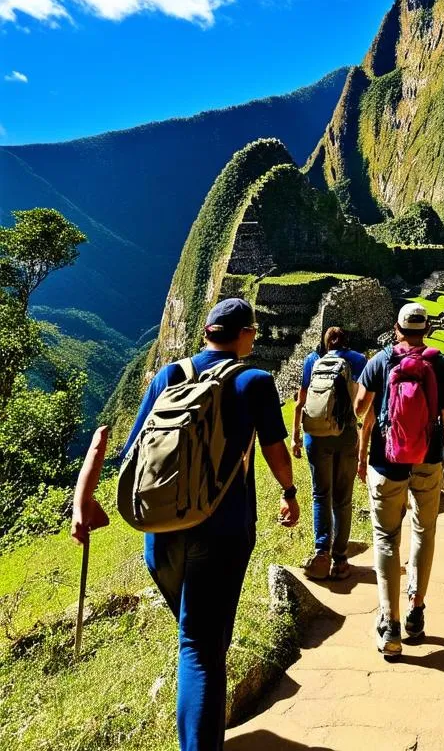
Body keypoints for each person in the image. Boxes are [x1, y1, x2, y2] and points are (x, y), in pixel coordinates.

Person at [71, 298, 299, 751]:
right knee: (202, 651)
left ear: (206, 332)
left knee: (196, 639)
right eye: (252, 332)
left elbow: (132, 452)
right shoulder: (254, 381)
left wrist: (87, 500)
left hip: (161, 536)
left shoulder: (168, 376)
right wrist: (289, 493)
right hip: (222, 532)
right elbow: (275, 449)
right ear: (245, 335)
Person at [354, 303, 444, 659]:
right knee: (424, 531)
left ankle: (390, 622)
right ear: (425, 329)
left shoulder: (380, 362)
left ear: (396, 328)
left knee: (386, 539)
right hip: (428, 459)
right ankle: (416, 612)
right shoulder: (439, 364)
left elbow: (358, 407)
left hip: (387, 461)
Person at [292, 326, 367, 581]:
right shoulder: (357, 359)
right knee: (342, 498)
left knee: (320, 494)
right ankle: (341, 559)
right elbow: (362, 400)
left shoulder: (312, 360)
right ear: (346, 342)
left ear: (325, 342)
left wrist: (295, 436)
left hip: (316, 435)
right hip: (345, 434)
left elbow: (301, 401)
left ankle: (321, 552)